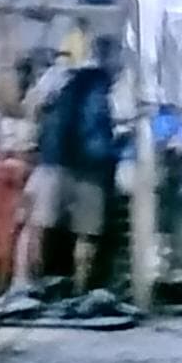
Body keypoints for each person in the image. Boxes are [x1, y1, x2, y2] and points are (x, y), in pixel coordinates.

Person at [15, 29, 125, 292]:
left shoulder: (57, 76)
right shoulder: (110, 82)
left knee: (36, 226)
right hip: (93, 167)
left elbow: (32, 107)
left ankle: (25, 285)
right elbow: (124, 123)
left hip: (54, 160)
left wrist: (35, 134)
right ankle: (80, 289)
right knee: (86, 233)